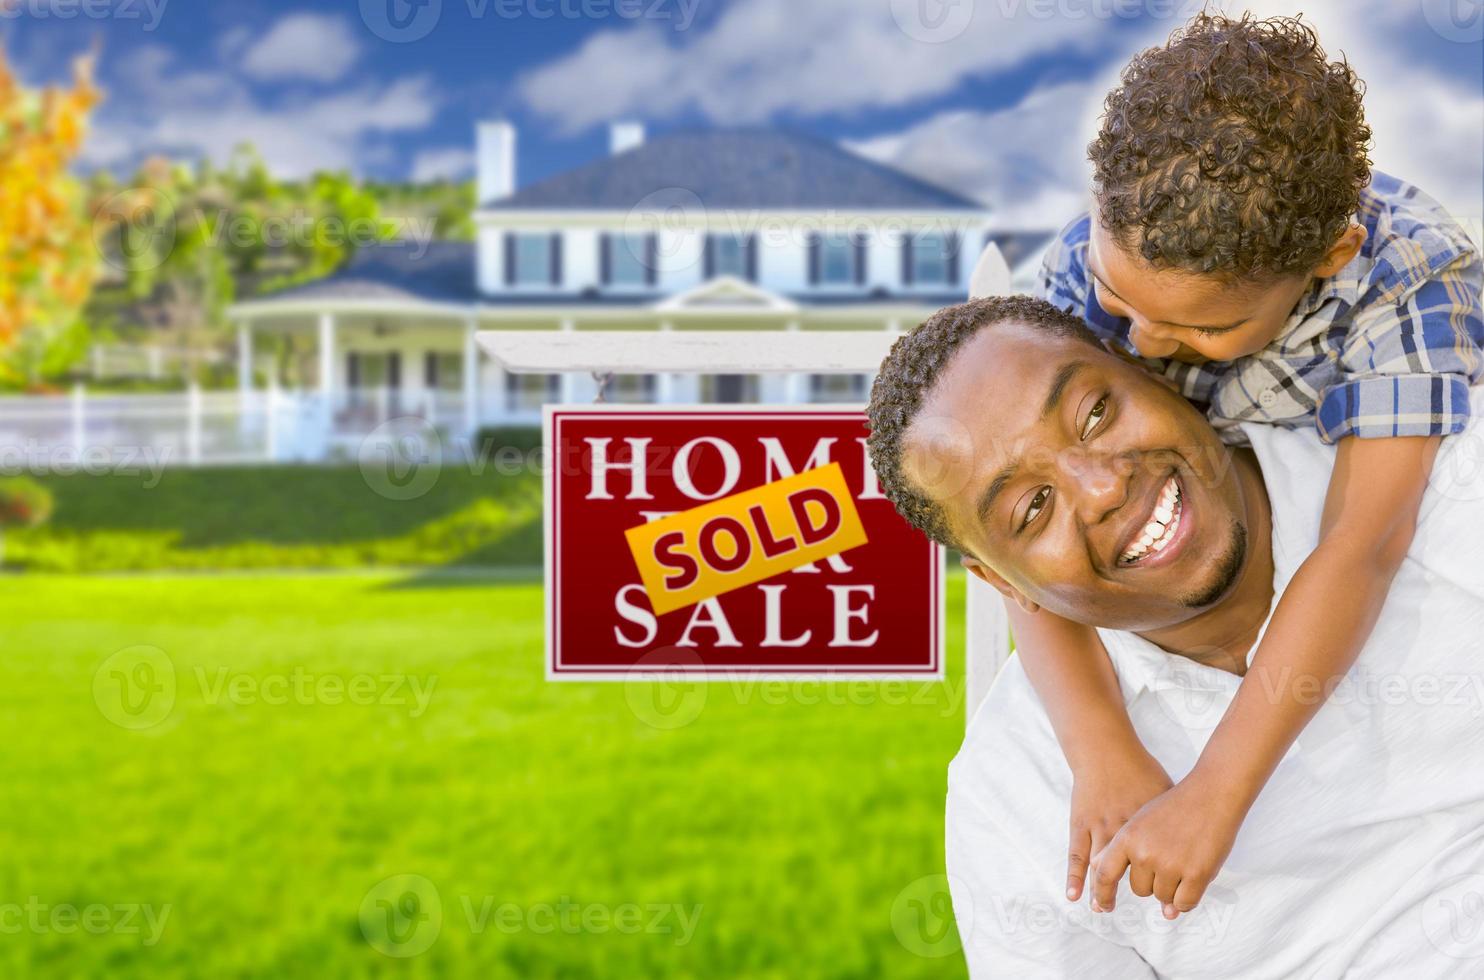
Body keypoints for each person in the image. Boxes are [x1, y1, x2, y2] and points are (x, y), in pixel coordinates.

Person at [864, 294, 1484, 975]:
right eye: (1032, 507)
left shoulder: (1447, 479)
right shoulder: (1015, 797)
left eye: (1095, 414)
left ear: (1153, 370)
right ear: (1003, 585)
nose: (1101, 488)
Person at [1022, 13, 1482, 916]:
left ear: (1328, 258)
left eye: (1203, 329)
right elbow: (1008, 543)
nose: (1141, 342)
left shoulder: (1412, 277)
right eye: (1122, 299)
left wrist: (1215, 793)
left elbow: (1364, 541)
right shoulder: (1087, 265)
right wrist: (1100, 745)